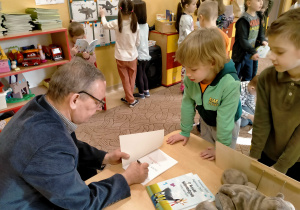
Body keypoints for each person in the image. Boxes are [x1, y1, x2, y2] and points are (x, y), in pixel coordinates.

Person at [0, 57, 149, 209]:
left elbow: (68, 144)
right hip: (23, 204)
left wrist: (106, 157)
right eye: (98, 102)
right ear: (75, 100)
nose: (98, 109)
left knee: (89, 172)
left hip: (19, 187)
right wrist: (126, 178)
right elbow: (82, 204)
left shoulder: (41, 105)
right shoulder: (48, 142)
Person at [166, 28, 242, 161]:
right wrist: (185, 131)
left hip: (228, 122)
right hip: (206, 117)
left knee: (223, 158)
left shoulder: (230, 83)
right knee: (206, 149)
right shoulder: (192, 78)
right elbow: (187, 104)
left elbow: (225, 120)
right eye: (185, 67)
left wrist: (222, 148)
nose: (187, 74)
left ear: (212, 63)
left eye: (193, 69)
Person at [250, 8, 300, 182]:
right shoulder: (266, 78)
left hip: (295, 161)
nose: (270, 56)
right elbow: (262, 120)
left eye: (279, 51)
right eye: (271, 48)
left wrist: (281, 167)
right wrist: (253, 156)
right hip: (267, 153)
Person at [99, 0, 140, 108]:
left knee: (125, 80)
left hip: (120, 57)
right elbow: (138, 42)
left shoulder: (117, 23)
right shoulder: (135, 24)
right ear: (132, 10)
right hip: (132, 57)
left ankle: (130, 99)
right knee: (131, 79)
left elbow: (105, 25)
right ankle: (130, 98)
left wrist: (102, 15)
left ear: (119, 9)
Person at [232, 0, 268, 81]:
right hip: (242, 54)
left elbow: (261, 32)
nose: (261, 3)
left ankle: (245, 92)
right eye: (258, 0)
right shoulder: (243, 20)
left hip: (251, 52)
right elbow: (242, 40)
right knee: (236, 76)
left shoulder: (259, 16)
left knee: (249, 75)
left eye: (261, 0)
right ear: (249, 3)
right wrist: (253, 51)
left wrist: (262, 40)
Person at [175, 0, 197, 93]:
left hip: (187, 45)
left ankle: (185, 85)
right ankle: (183, 86)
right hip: (185, 46)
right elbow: (188, 34)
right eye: (193, 4)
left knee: (186, 66)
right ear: (187, 6)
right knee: (185, 67)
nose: (195, 6)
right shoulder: (185, 18)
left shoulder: (187, 17)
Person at [133, 0, 151, 99]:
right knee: (143, 72)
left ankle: (141, 93)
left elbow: (136, 42)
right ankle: (146, 91)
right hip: (146, 53)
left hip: (139, 54)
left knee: (139, 74)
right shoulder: (146, 25)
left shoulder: (135, 26)